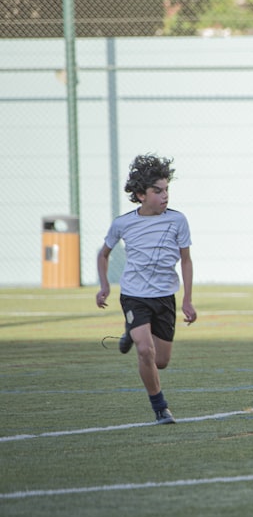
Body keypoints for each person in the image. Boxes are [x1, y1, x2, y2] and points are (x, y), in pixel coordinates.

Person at [96, 154, 197, 425]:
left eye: (167, 190)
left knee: (161, 361)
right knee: (145, 351)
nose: (165, 196)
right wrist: (104, 286)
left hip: (164, 297)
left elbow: (186, 260)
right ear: (141, 195)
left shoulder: (178, 221)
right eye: (157, 191)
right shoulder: (123, 223)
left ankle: (131, 330)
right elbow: (103, 254)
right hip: (134, 296)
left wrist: (187, 300)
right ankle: (161, 408)